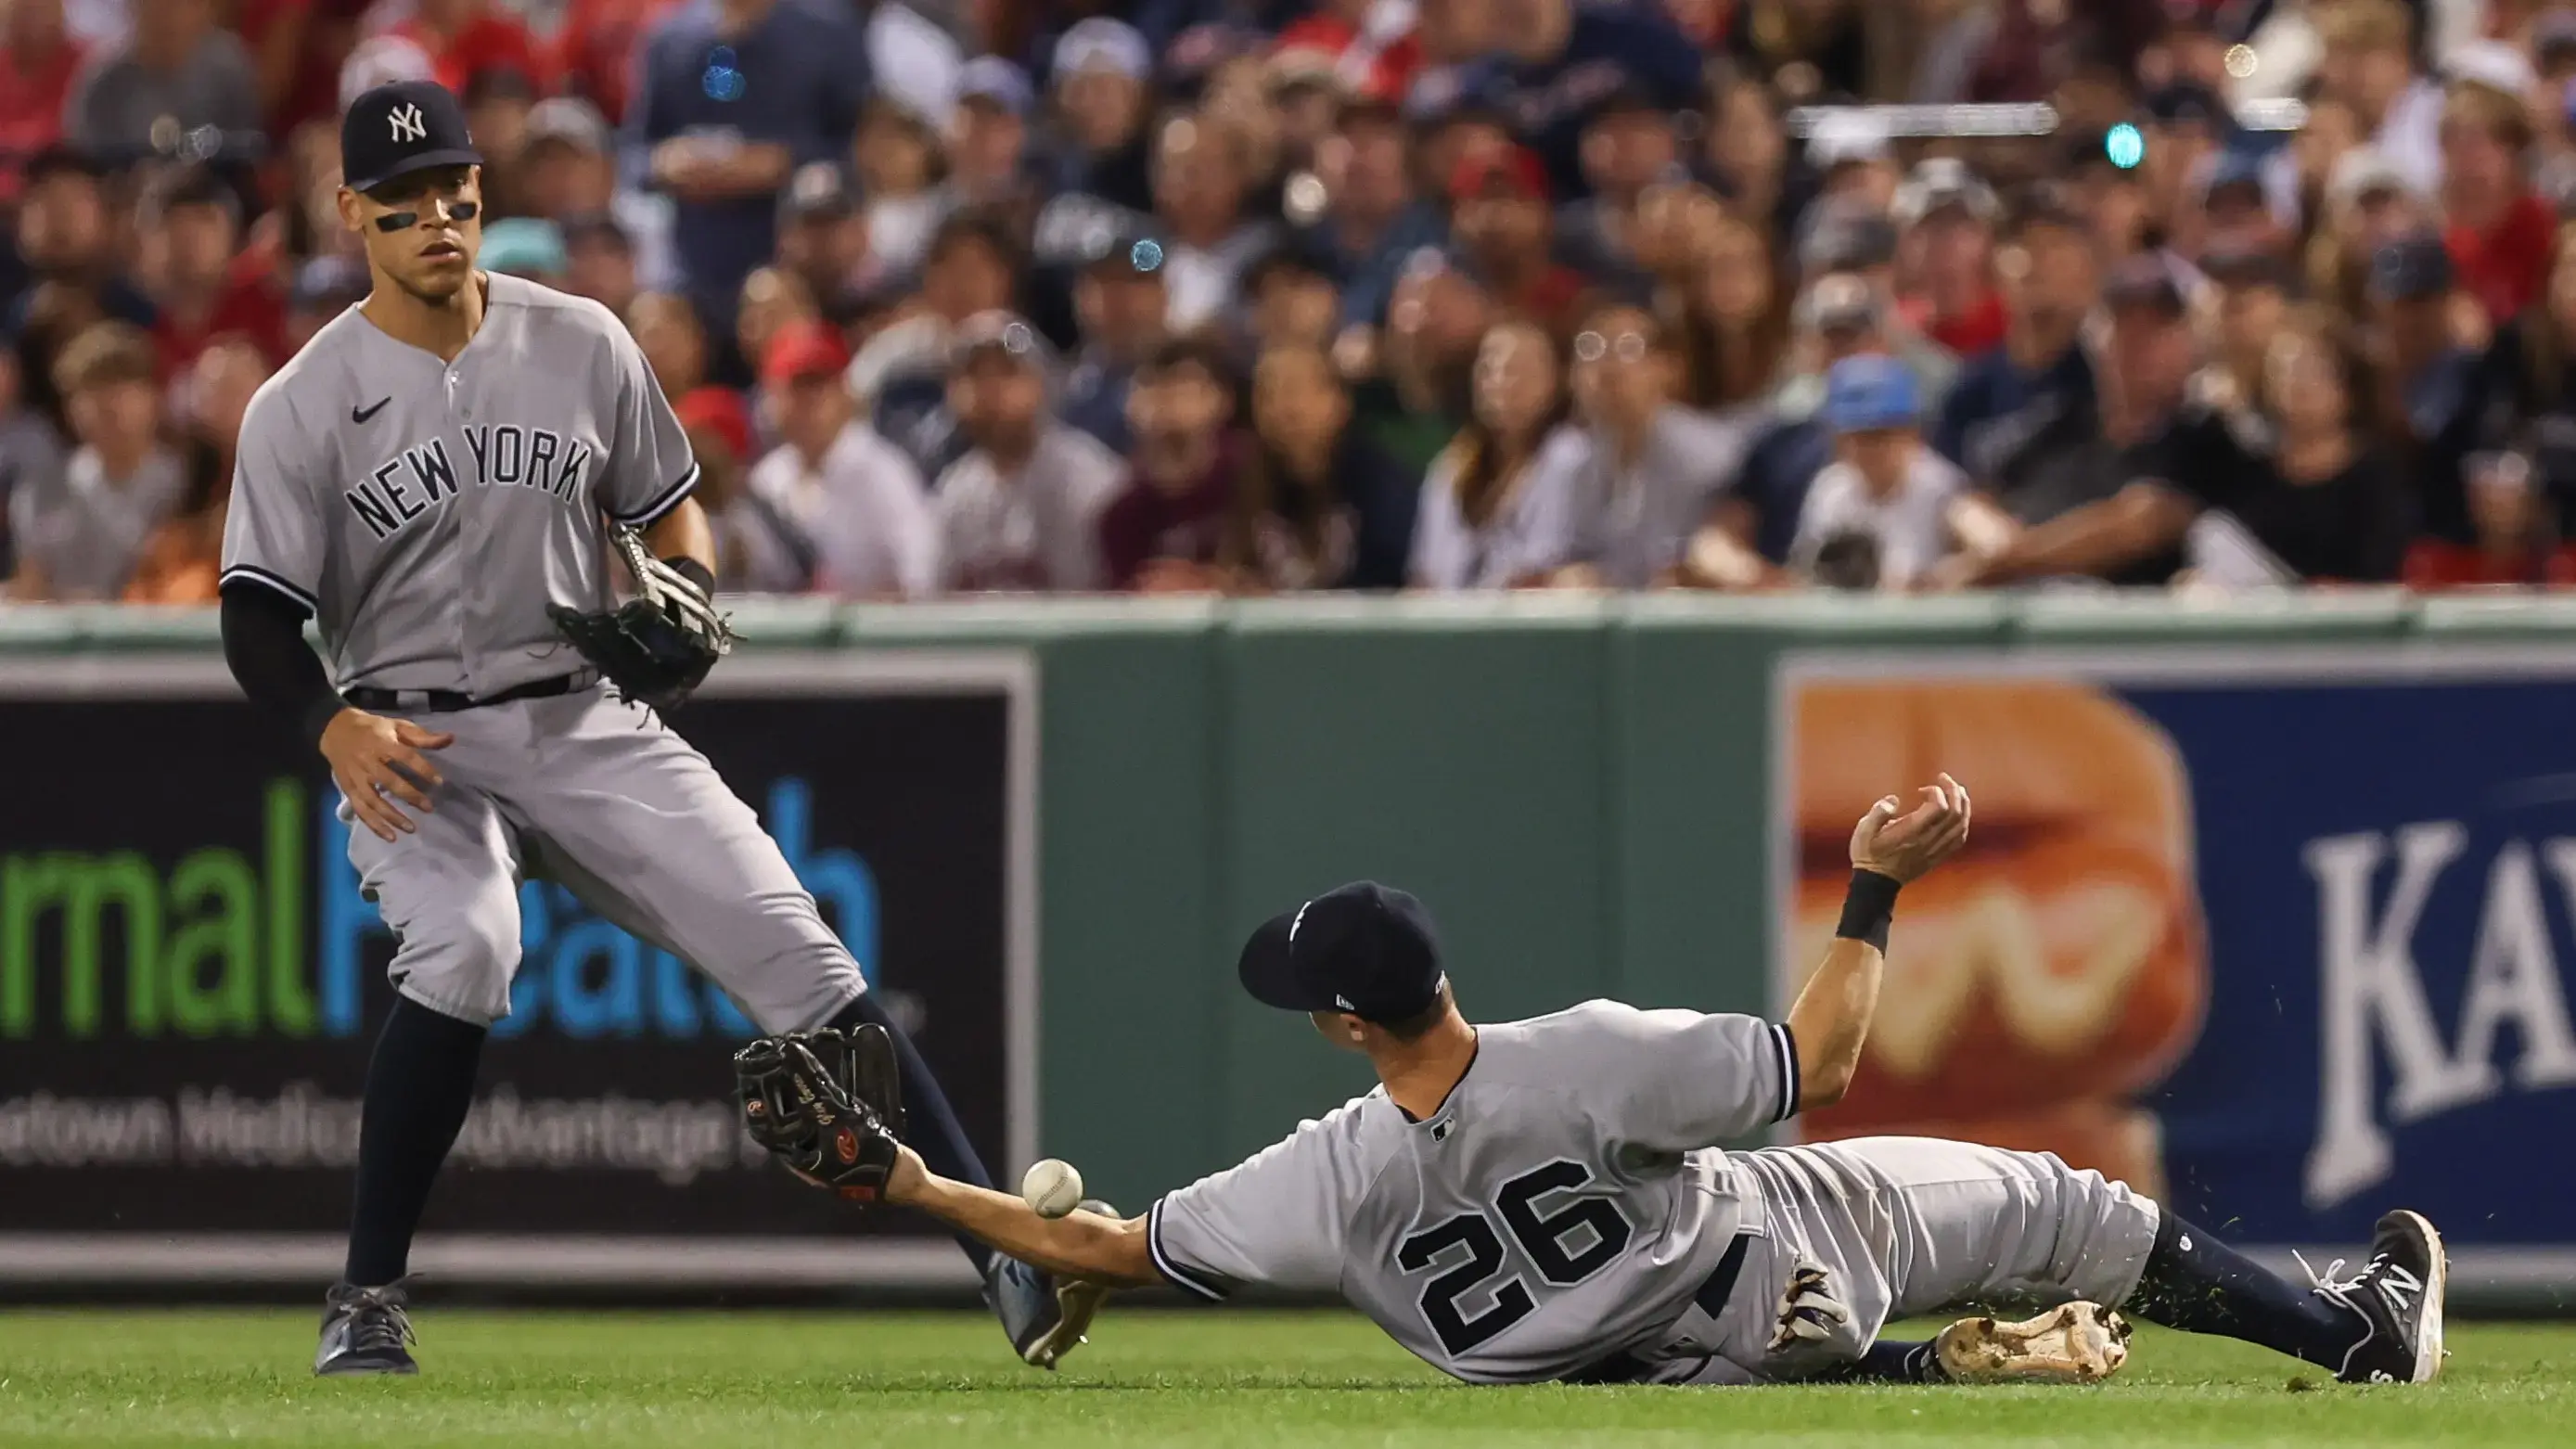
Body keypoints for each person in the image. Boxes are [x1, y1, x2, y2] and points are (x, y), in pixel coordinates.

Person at [211, 81, 1073, 1377]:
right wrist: (328, 723)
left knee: (796, 946)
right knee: (465, 946)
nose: (435, 219)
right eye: (401, 205)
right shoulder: (301, 401)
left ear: (480, 196)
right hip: (413, 740)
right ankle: (368, 1294)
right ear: (351, 215)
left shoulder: (581, 341)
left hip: (579, 712)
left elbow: (674, 511)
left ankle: (1001, 1252)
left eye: (452, 193)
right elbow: (254, 618)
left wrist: (693, 587)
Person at [750, 778, 2453, 1391]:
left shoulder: (1326, 1179)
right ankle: (2351, 1329)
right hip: (1783, 1242)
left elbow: (1099, 1253)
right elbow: (1826, 1053)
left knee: (1812, 1315)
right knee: (2077, 1216)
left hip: (1661, 1362)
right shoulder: (1585, 1053)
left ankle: (1914, 1368)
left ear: (1345, 1021)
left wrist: (904, 1182)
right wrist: (1870, 888)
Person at [933, 310, 1125, 593]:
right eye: (974, 376)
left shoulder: (1089, 479)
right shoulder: (954, 490)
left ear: (1041, 384)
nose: (990, 390)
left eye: (1007, 373)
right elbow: (935, 602)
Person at [1562, 301, 1748, 589]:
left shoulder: (1705, 456)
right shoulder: (1577, 459)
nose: (1607, 367)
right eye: (1589, 348)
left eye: (1628, 348)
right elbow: (1575, 557)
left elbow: (1688, 567)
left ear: (1669, 368)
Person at [745, 319, 936, 598]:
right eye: (796, 389)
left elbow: (921, 575)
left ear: (844, 393)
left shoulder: (880, 470)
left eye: (819, 386)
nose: (810, 403)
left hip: (874, 636)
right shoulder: (768, 478)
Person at [1789, 355, 2011, 592]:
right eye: (1858, 434)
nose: (1870, 448)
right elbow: (1801, 575)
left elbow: (1999, 545)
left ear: (1911, 431)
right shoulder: (1830, 489)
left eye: (1881, 433)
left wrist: (1939, 577)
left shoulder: (1937, 485)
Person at [1410, 318, 1590, 590]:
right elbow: (1423, 577)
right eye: (1489, 369)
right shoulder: (1451, 467)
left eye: (1520, 369)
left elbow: (1550, 569)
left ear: (1556, 379)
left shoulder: (1573, 458)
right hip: (1448, 624)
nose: (1503, 382)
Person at [1222, 342, 1417, 592]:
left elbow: (1392, 582)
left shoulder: (1381, 485)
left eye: (1296, 390)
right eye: (1267, 394)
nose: (1285, 408)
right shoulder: (1245, 480)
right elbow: (1235, 570)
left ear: (1340, 402)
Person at [6, 320, 180, 598]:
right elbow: (30, 586)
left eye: (121, 392)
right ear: (69, 409)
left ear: (153, 398)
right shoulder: (41, 492)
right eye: (91, 394)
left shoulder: (186, 487)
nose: (107, 408)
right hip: (65, 635)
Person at [1097, 331, 1243, 592]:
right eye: (1152, 384)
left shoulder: (1255, 480)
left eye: (1183, 385)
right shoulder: (1121, 516)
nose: (1168, 399)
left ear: (1223, 400)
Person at [61, 0, 260, 164]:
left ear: (206, 10)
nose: (167, 16)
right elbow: (86, 168)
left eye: (181, 4)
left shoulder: (230, 70)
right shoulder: (101, 83)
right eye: (154, 3)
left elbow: (246, 155)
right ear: (132, 8)